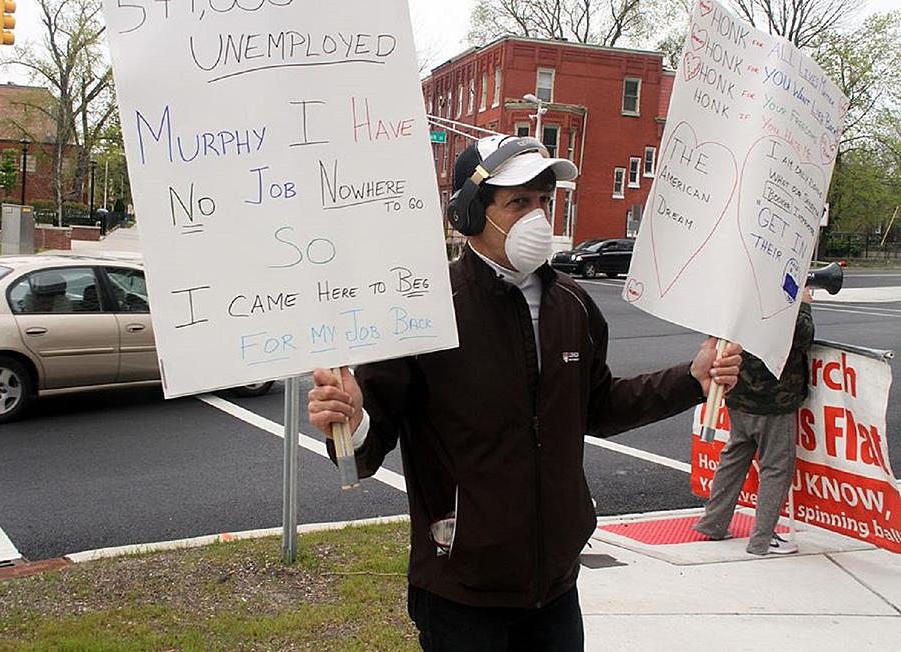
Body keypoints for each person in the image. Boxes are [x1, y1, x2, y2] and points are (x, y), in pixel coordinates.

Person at [308, 135, 743, 651]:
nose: (538, 216)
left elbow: (599, 408)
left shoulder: (573, 306)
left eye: (543, 201)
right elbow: (364, 451)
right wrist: (351, 421)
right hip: (461, 592)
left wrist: (690, 379)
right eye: (518, 202)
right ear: (470, 214)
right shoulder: (423, 311)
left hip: (555, 588)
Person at [693, 290, 814, 555]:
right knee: (776, 467)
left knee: (734, 456)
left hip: (738, 392)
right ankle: (762, 539)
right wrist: (803, 305)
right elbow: (802, 335)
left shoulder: (742, 291)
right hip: (774, 398)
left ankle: (713, 522)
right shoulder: (781, 296)